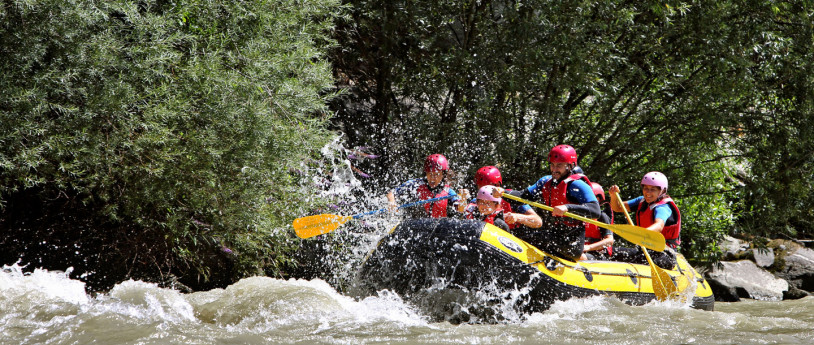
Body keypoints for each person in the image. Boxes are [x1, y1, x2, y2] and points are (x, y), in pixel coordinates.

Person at [497, 145, 601, 261]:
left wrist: (567, 207)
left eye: (559, 165)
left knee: (529, 237)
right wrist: (503, 193)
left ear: (570, 166)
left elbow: (596, 210)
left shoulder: (577, 185)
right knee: (523, 235)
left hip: (572, 242)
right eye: (552, 164)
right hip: (554, 234)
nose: (554, 169)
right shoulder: (546, 182)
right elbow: (523, 196)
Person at [608, 171, 681, 269]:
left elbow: (659, 225)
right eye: (646, 188)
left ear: (662, 191)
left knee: (638, 260)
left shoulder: (663, 207)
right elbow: (617, 207)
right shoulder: (641, 201)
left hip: (665, 254)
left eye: (652, 189)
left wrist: (641, 233)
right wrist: (613, 195)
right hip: (644, 249)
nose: (648, 192)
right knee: (611, 252)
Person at [457, 166, 540, 229]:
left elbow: (538, 221)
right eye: (480, 187)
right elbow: (462, 213)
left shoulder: (510, 197)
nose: (483, 191)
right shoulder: (476, 202)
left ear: (497, 186)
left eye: (486, 187)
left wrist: (517, 217)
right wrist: (463, 199)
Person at [386, 154, 461, 218]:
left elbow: (460, 209)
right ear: (426, 173)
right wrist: (392, 202)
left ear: (443, 175)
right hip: (420, 226)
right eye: (430, 174)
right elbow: (391, 193)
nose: (432, 178)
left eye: (436, 175)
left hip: (439, 229)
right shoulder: (416, 184)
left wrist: (463, 198)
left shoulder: (448, 191)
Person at [580, 182, 614, 260]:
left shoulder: (601, 216)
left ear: (598, 199)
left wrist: (588, 247)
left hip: (597, 255)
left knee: (580, 256)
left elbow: (609, 240)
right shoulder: (578, 215)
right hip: (581, 251)